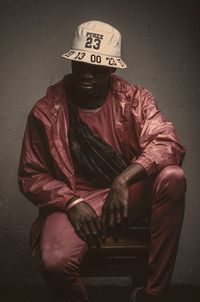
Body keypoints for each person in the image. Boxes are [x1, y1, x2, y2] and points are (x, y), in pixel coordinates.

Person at [18, 20, 186, 302]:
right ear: (72, 64)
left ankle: (153, 294)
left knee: (173, 177)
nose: (88, 76)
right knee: (55, 263)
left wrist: (123, 178)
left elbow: (167, 143)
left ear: (112, 69)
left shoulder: (135, 100)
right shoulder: (46, 112)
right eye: (81, 66)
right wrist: (71, 202)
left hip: (128, 194)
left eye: (97, 69)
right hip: (76, 199)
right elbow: (31, 174)